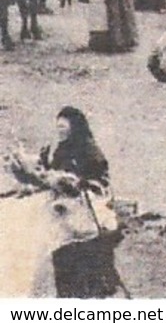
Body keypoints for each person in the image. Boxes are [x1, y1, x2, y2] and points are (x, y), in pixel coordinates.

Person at [21, 108, 123, 297]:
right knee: (64, 263)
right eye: (57, 127)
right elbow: (47, 173)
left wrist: (79, 183)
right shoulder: (58, 149)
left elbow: (100, 183)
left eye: (63, 127)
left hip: (87, 219)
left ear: (74, 127)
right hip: (64, 220)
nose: (60, 131)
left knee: (88, 271)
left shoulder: (90, 149)